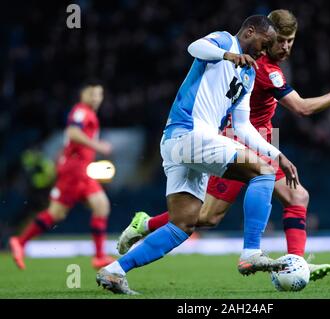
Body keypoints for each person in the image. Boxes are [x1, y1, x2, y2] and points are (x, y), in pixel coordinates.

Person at [116, 9, 330, 281]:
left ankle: (295, 263)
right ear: (264, 36)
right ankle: (148, 224)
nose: (284, 47)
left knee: (298, 196)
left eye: (290, 40)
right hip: (230, 139)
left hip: (262, 138)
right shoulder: (261, 69)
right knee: (207, 216)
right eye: (279, 40)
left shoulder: (261, 65)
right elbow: (302, 108)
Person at [96, 15, 300, 295]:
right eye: (263, 44)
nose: (264, 52)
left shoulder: (250, 73)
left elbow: (242, 127)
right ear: (250, 31)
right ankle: (251, 252)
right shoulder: (223, 41)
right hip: (190, 134)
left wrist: (278, 155)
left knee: (183, 224)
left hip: (181, 144)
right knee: (262, 173)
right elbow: (194, 48)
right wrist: (227, 55)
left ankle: (114, 271)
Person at [9, 82, 115, 270]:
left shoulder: (88, 113)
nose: (96, 98)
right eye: (92, 94)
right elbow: (72, 132)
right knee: (56, 213)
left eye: (99, 94)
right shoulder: (81, 112)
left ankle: (99, 257)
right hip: (74, 171)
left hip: (81, 170)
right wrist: (98, 146)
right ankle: (20, 241)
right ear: (82, 95)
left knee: (101, 205)